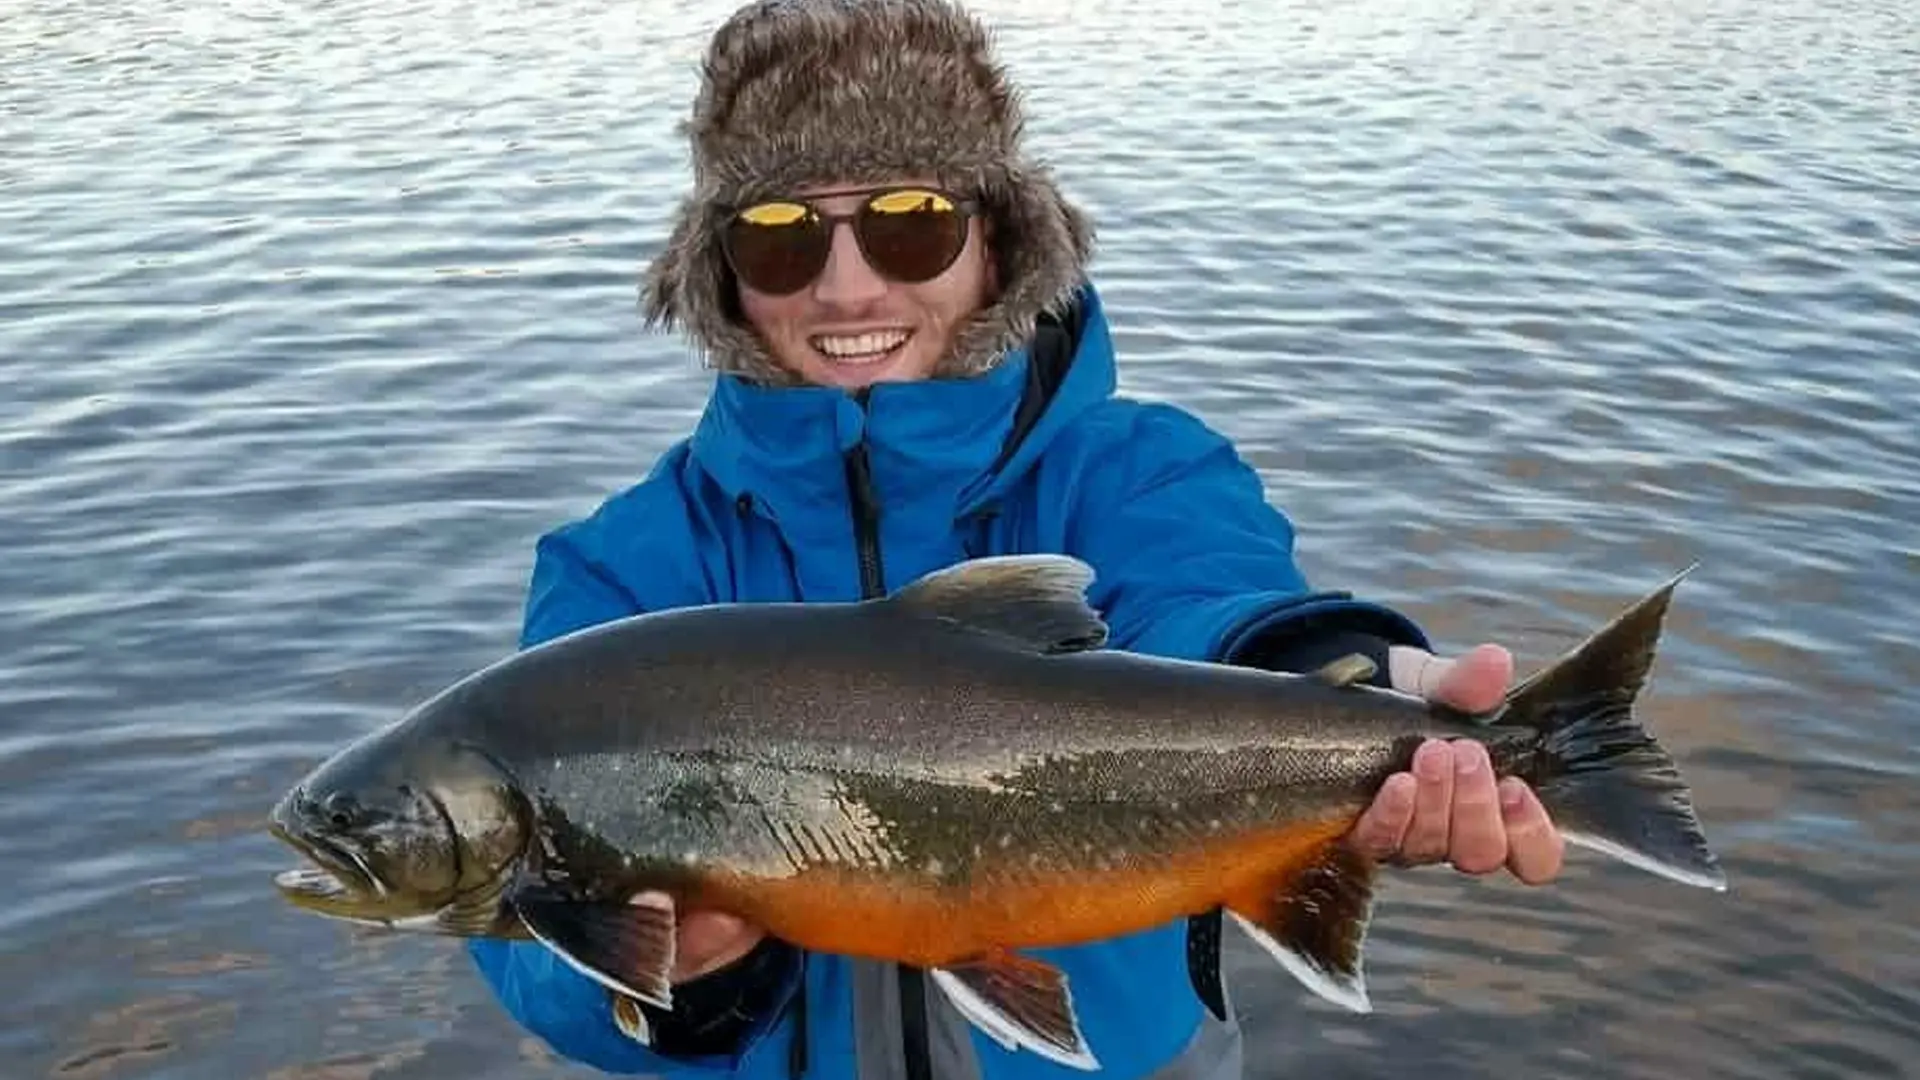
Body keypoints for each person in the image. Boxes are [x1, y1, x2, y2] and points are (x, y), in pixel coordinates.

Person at [468, 1, 1565, 1076]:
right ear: (723, 275)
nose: (849, 288)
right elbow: (533, 965)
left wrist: (1347, 680)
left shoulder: (1142, 471)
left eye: (910, 224)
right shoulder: (618, 566)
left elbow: (1199, 605)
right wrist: (672, 984)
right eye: (780, 238)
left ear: (997, 241)